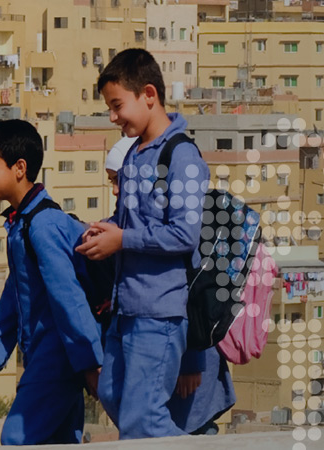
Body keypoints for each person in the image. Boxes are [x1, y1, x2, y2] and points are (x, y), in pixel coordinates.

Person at [75, 48, 209, 439]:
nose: (113, 117)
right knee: (114, 397)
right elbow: (132, 221)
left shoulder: (181, 156)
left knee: (142, 417)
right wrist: (107, 229)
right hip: (126, 308)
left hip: (160, 311)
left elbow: (185, 234)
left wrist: (123, 239)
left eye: (117, 106)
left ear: (148, 94)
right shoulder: (134, 156)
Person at [0, 119, 103, 445]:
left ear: (19, 168)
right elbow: (14, 297)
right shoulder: (23, 224)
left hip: (57, 359)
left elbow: (68, 299)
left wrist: (90, 363)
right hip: (49, 357)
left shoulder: (41, 226)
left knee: (17, 439)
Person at [168, 347, 236, 435]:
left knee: (197, 426)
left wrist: (191, 363)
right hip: (192, 364)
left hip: (192, 367)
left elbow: (195, 334)